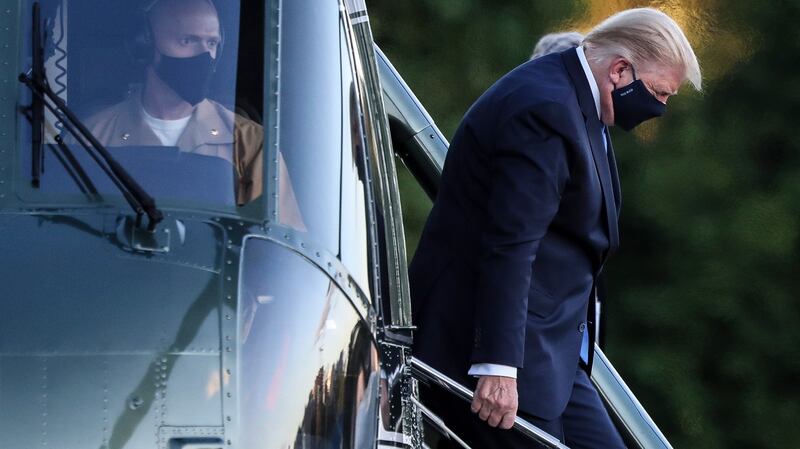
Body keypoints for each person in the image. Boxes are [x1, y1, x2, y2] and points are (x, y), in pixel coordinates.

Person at [410, 8, 701, 448]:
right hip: (504, 356)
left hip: (553, 354)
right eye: (660, 93)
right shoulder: (546, 109)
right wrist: (498, 366)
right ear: (620, 70)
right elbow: (511, 242)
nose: (660, 107)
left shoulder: (577, 99)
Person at [83, 0, 301, 225]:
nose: (205, 54)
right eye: (187, 40)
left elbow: (274, 243)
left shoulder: (251, 145)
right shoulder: (91, 137)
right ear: (144, 45)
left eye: (212, 43)